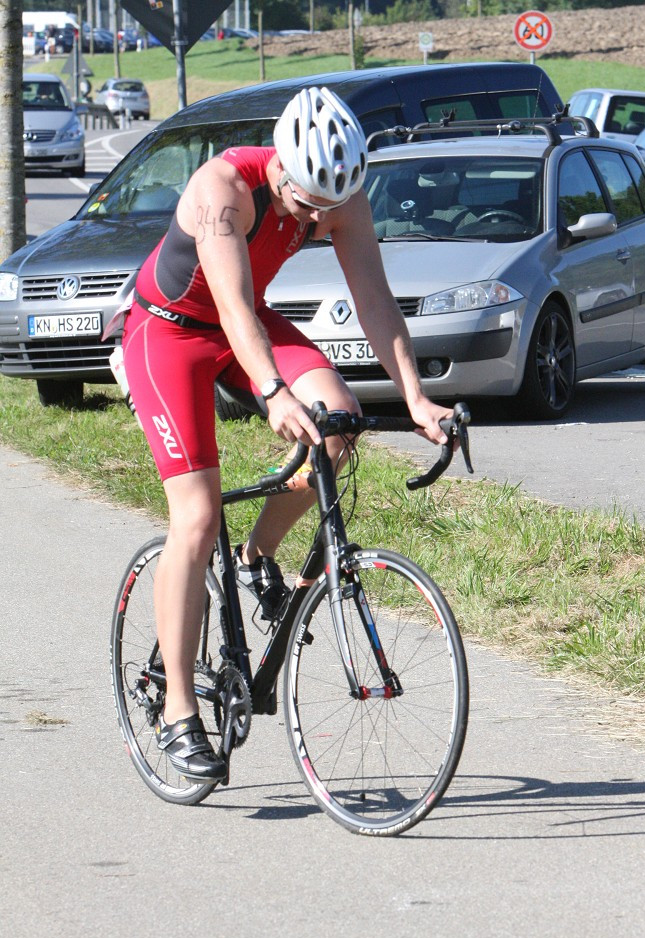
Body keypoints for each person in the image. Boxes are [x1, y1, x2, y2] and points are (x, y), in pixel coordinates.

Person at [121, 85, 454, 783]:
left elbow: (374, 299)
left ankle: (254, 555)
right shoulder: (224, 191)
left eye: (330, 207)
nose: (317, 217)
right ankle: (180, 708)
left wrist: (418, 398)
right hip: (171, 333)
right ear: (280, 167)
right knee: (197, 515)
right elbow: (235, 308)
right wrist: (271, 391)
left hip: (246, 328)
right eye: (306, 205)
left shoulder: (340, 196)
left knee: (339, 420)